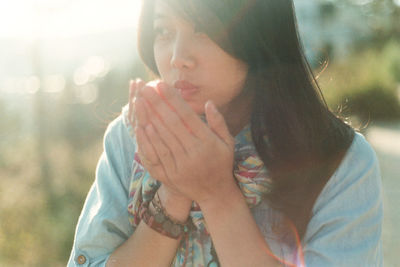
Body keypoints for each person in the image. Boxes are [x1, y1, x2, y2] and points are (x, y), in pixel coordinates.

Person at [68, 0, 383, 266]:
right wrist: (174, 191)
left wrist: (216, 193)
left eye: (204, 29)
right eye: (163, 31)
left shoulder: (339, 163)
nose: (178, 57)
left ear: (258, 33)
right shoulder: (132, 138)